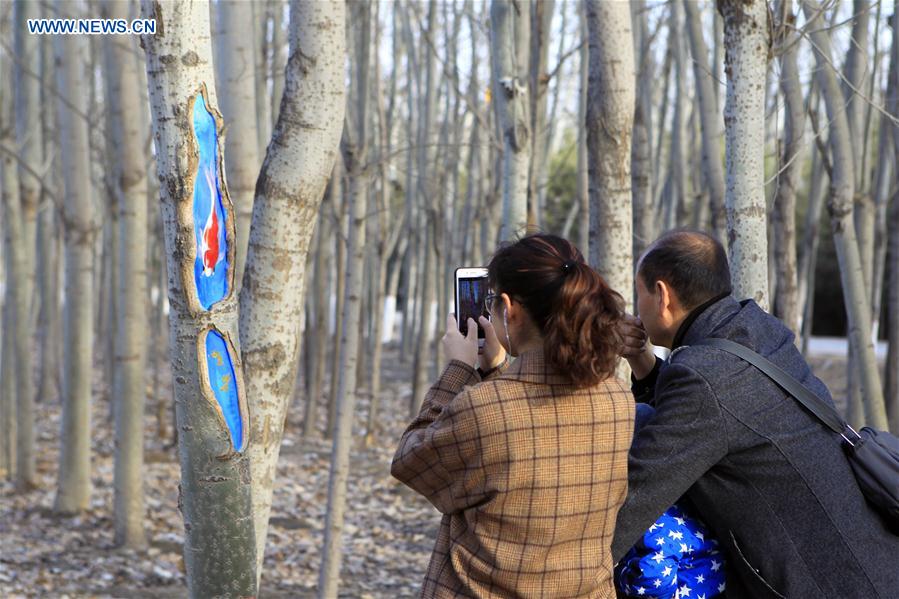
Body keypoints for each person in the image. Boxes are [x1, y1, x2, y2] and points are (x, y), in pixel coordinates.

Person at [613, 230, 899, 598]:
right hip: (876, 562)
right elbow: (701, 415)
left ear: (663, 295)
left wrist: (555, 573)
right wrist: (640, 359)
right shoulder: (754, 331)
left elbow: (637, 494)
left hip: (829, 585)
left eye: (640, 294)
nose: (639, 309)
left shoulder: (705, 378)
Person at [392, 233, 635, 598]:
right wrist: (496, 369)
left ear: (509, 308)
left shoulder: (483, 408)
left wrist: (459, 368)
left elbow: (410, 460)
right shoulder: (618, 399)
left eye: (491, 303)